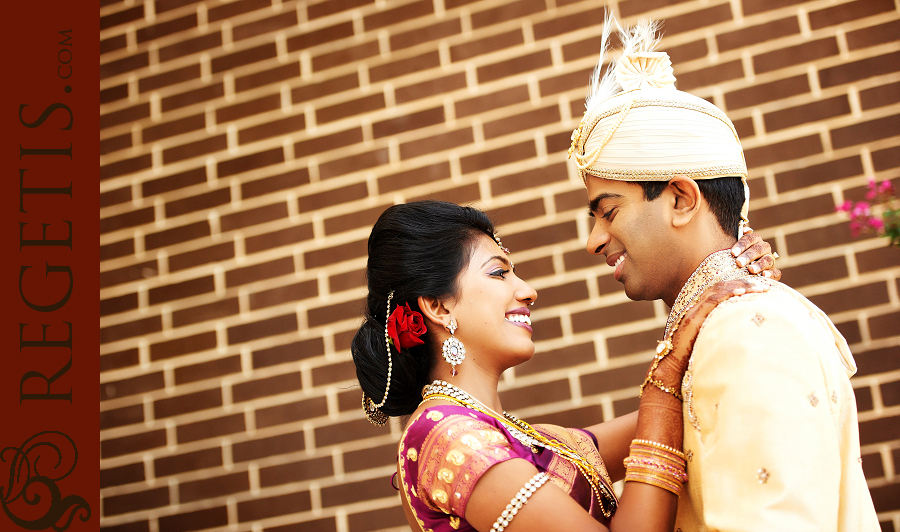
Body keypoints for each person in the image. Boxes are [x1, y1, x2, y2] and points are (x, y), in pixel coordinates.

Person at [568, 16, 880, 531]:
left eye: (609, 210)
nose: (594, 240)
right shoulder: (723, 325)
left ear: (681, 199)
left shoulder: (747, 329)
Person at [351, 200, 777, 532]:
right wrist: (662, 381)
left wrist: (729, 282)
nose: (528, 291)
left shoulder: (515, 437)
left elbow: (681, 411)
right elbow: (663, 411)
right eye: (499, 274)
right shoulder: (448, 437)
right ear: (439, 306)